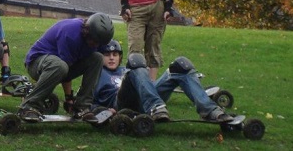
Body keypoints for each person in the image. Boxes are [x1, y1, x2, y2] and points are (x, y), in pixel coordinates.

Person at [93, 40, 234, 122]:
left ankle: (210, 110)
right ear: (101, 57)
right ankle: (156, 107)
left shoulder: (127, 69)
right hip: (122, 104)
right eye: (107, 55)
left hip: (147, 99)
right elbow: (88, 102)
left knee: (180, 65)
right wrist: (105, 111)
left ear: (119, 56)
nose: (111, 58)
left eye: (115, 54)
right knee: (136, 61)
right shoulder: (97, 73)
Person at [18, 13, 115, 123]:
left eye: (99, 43)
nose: (95, 45)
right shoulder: (70, 34)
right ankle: (29, 105)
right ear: (86, 32)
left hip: (60, 66)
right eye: (94, 41)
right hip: (36, 63)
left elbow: (71, 69)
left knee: (98, 58)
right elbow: (66, 71)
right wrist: (68, 98)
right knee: (60, 66)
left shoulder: (99, 40)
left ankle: (82, 107)